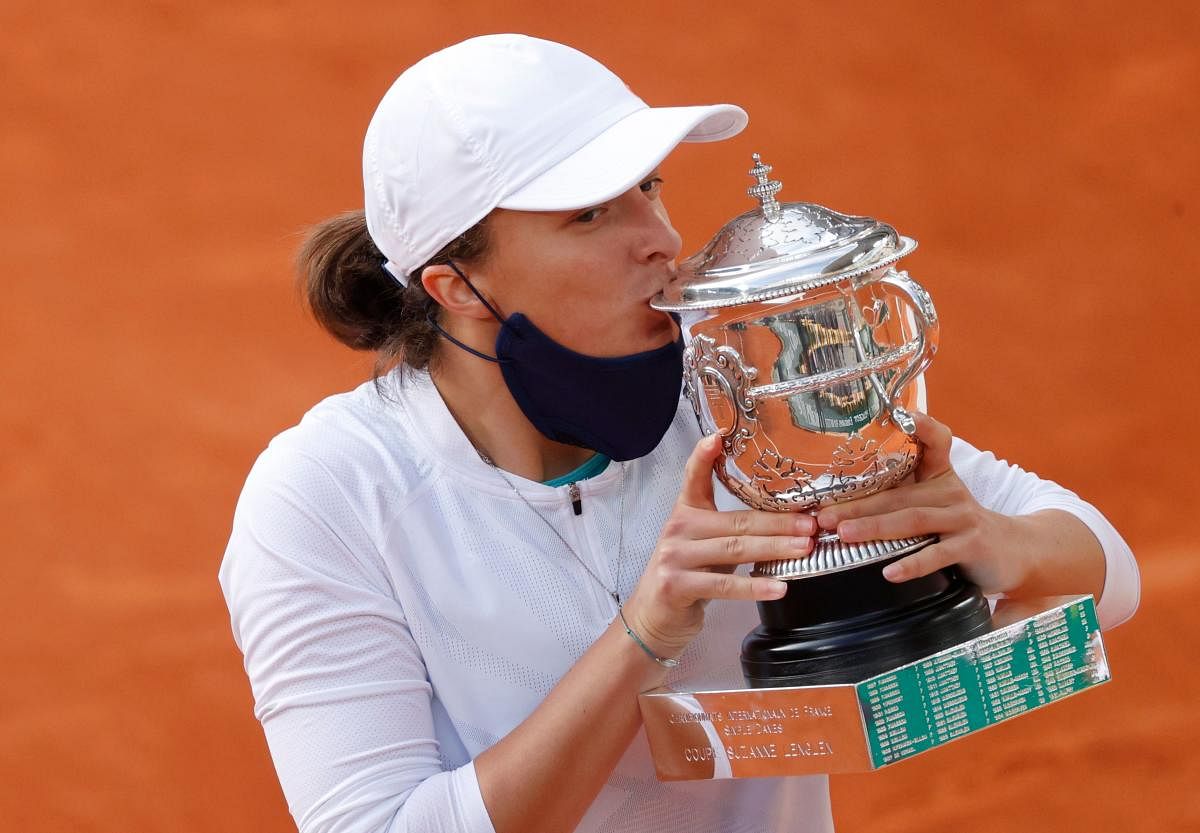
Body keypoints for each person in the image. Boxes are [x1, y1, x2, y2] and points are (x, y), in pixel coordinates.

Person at [218, 34, 1140, 833]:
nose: (662, 238)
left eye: (649, 187)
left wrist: (998, 542)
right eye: (591, 213)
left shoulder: (737, 373)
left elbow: (1110, 570)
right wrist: (646, 633)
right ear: (454, 282)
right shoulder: (331, 494)